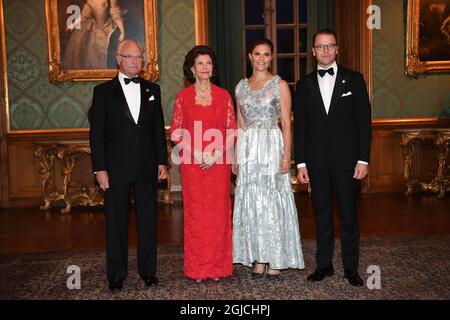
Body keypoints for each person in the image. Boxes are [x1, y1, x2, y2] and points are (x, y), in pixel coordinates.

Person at [293, 29, 372, 287]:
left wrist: (363, 159)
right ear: (313, 51)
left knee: (349, 215)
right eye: (320, 46)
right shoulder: (303, 85)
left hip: (348, 162)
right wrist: (301, 163)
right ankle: (323, 265)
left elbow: (363, 123)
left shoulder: (355, 79)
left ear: (337, 49)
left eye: (330, 46)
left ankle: (351, 269)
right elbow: (300, 127)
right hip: (316, 162)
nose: (325, 50)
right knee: (322, 214)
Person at [89, 39, 168, 292]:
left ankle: (148, 272)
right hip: (115, 169)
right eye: (131, 57)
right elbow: (96, 135)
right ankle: (116, 274)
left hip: (146, 167)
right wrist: (100, 169)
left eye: (140, 57)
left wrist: (162, 162)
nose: (137, 61)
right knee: (116, 223)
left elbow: (158, 130)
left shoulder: (152, 89)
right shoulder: (102, 92)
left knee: (148, 222)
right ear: (119, 59)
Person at [232, 38, 305, 280]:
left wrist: (287, 157)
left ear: (271, 57)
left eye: (266, 54)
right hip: (249, 149)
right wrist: (236, 155)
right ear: (249, 57)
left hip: (272, 146)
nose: (262, 58)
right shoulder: (240, 87)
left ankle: (276, 256)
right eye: (257, 54)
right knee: (252, 202)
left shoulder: (279, 85)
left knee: (272, 201)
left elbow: (286, 123)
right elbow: (240, 124)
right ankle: (259, 257)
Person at [170, 46, 237, 282]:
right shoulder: (183, 97)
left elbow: (232, 131)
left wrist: (216, 153)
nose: (205, 67)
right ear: (192, 68)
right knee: (196, 216)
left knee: (218, 214)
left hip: (218, 165)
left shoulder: (224, 95)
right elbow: (176, 132)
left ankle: (218, 267)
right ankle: (198, 268)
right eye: (200, 63)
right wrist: (196, 152)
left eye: (209, 63)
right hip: (192, 164)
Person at [63, 0, 126, 68]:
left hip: (108, 28)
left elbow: (116, 16)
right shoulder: (90, 1)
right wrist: (72, 25)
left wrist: (122, 32)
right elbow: (85, 16)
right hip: (95, 29)